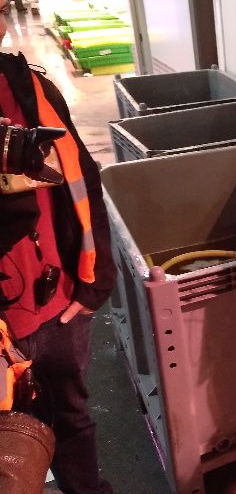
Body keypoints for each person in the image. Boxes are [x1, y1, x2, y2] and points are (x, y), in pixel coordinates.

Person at [0, 50, 116, 494]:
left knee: (72, 418)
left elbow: (84, 180)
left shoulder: (33, 86)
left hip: (59, 307)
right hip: (5, 326)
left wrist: (96, 281)